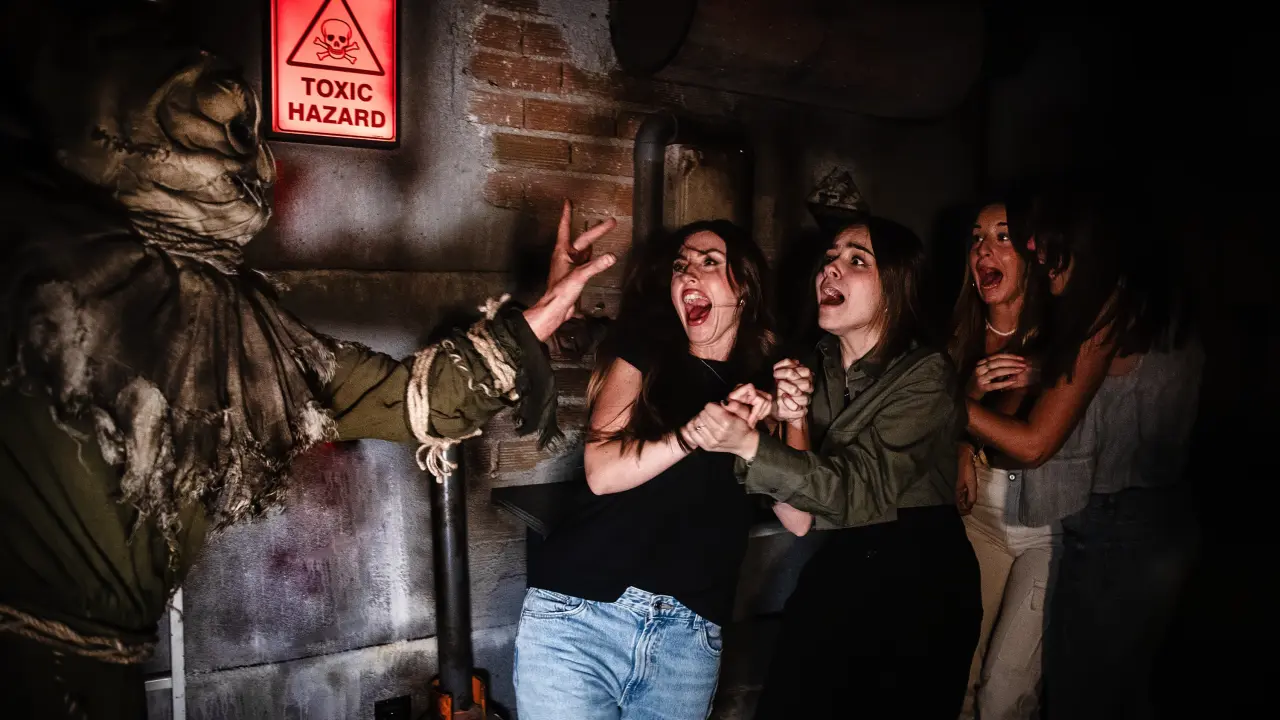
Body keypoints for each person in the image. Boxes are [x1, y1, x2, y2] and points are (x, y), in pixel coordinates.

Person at [0, 5, 616, 716]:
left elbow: (406, 400)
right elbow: (411, 399)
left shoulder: (230, 318)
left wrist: (539, 318)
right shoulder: (36, 256)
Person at [688, 217, 982, 719]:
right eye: (829, 258)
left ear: (895, 286)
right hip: (844, 562)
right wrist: (775, 419)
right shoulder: (816, 363)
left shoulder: (927, 375)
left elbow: (854, 491)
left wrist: (753, 447)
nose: (831, 269)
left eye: (856, 260)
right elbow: (799, 513)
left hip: (920, 581)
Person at [515, 220, 804, 720]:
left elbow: (798, 518)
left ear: (744, 287)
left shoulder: (762, 386)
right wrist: (693, 435)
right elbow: (602, 471)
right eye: (680, 265)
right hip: (581, 618)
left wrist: (795, 415)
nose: (689, 274)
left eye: (709, 262)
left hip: (687, 643)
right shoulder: (644, 352)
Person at [965, 185, 1203, 720]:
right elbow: (1120, 384)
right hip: (1162, 518)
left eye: (1043, 239)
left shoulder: (1105, 311)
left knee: (1081, 696)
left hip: (1116, 527)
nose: (1035, 252)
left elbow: (1033, 445)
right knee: (1120, 690)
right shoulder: (1159, 304)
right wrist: (1044, 374)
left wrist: (942, 405)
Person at [949, 200, 1058, 720]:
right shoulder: (957, 335)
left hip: (1047, 530)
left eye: (1002, 236)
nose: (984, 250)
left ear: (1034, 255)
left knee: (1003, 694)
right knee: (957, 678)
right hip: (980, 520)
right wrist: (961, 440)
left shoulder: (1063, 337)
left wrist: (965, 409)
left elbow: (1033, 439)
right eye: (976, 238)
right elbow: (929, 423)